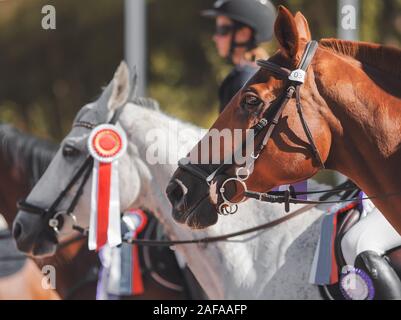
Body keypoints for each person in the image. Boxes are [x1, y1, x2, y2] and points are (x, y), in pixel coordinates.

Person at [202, 0, 276, 113]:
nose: (215, 37)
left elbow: (233, 131)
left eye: (222, 30)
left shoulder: (246, 80)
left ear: (244, 34)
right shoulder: (253, 73)